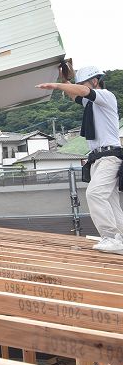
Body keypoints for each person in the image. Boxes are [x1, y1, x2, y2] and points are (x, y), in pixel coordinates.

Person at [37, 67, 123, 254]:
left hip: (109, 156)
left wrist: (57, 85)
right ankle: (121, 238)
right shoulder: (92, 104)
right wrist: (65, 80)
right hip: (99, 158)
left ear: (94, 81)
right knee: (110, 199)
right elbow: (76, 95)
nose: (81, 88)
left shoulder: (105, 96)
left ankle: (110, 237)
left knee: (95, 194)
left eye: (83, 83)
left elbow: (83, 92)